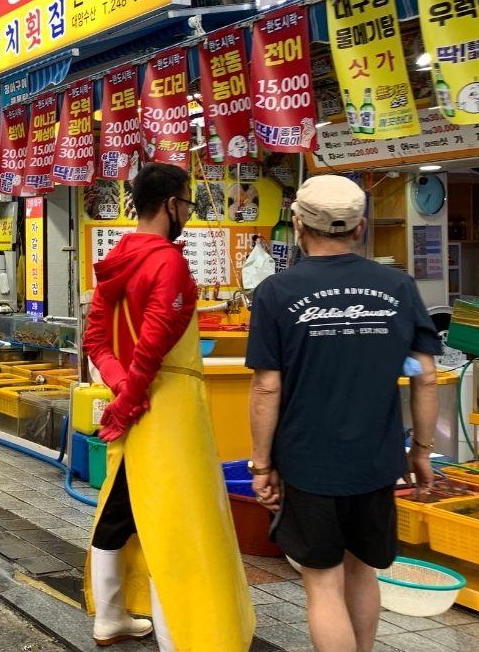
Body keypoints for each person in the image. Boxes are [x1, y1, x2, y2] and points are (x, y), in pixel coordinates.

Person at [247, 175, 441, 652]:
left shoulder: (277, 291)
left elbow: (266, 387)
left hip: (308, 462)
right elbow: (426, 375)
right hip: (376, 462)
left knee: (322, 583)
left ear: (297, 224)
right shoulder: (397, 285)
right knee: (362, 571)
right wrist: (420, 451)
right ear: (360, 228)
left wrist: (261, 462)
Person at [83, 163, 254, 651]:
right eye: (188, 204)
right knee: (176, 520)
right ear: (171, 205)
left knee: (122, 507)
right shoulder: (168, 263)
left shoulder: (117, 258)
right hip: (168, 412)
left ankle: (111, 618)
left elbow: (97, 339)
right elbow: (153, 348)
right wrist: (133, 399)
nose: (188, 215)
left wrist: (119, 394)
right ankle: (181, 638)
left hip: (131, 406)